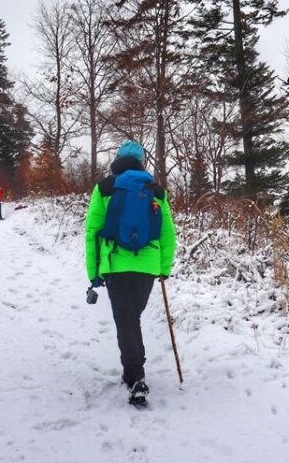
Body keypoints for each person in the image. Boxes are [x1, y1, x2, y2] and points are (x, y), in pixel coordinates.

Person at [85, 141, 176, 405]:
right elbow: (168, 234)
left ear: (118, 160)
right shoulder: (156, 191)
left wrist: (95, 273)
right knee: (131, 317)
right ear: (141, 162)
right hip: (147, 266)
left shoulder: (105, 188)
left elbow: (92, 232)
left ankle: (136, 376)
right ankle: (135, 368)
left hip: (117, 264)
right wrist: (163, 268)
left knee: (125, 320)